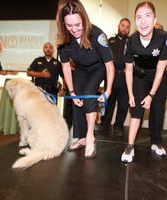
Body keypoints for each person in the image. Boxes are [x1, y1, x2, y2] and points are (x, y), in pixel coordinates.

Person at [56, 0, 114, 158]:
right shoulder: (63, 39)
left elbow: (109, 66)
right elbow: (66, 68)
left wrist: (107, 91)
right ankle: (81, 138)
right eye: (69, 25)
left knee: (88, 95)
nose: (74, 30)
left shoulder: (97, 34)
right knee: (77, 100)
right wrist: (72, 92)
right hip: (81, 69)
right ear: (63, 24)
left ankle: (90, 137)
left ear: (84, 20)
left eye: (77, 25)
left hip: (99, 67)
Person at [121, 1, 167, 163]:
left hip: (159, 77)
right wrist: (130, 94)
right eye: (139, 17)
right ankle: (130, 146)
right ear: (135, 21)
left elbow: (160, 70)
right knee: (136, 107)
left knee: (157, 109)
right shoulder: (131, 41)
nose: (143, 21)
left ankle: (156, 142)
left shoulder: (164, 39)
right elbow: (128, 70)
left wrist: (151, 95)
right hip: (140, 76)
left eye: (147, 16)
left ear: (154, 19)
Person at [96, 18, 131, 137]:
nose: (124, 29)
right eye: (123, 26)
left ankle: (118, 127)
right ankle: (104, 126)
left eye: (127, 27)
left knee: (123, 104)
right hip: (111, 76)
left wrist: (130, 68)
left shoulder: (132, 43)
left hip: (125, 78)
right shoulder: (109, 41)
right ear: (118, 26)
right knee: (108, 103)